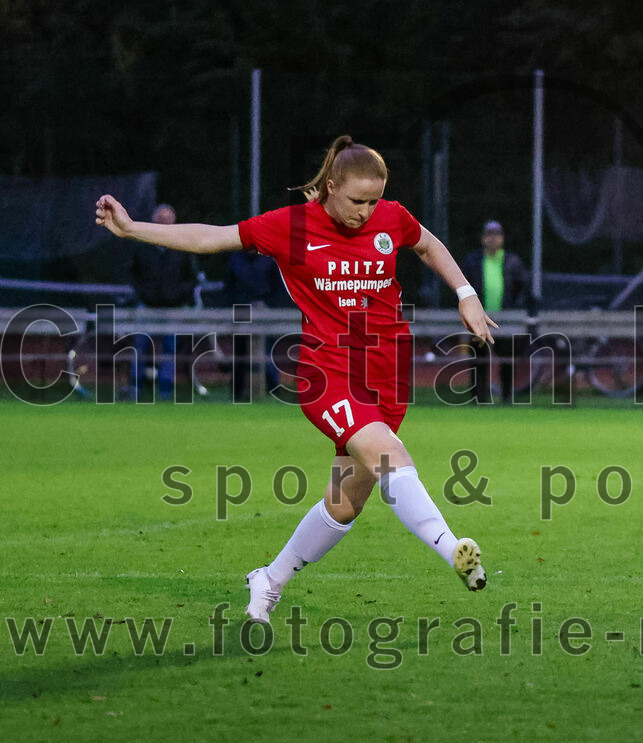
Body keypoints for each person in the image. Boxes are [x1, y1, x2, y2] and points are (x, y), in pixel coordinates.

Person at [96, 135, 496, 623]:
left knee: (347, 502)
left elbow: (429, 244)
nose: (366, 212)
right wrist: (134, 228)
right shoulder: (291, 226)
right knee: (391, 456)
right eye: (356, 201)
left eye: (373, 201)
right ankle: (453, 547)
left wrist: (466, 292)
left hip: (387, 373)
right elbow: (211, 238)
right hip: (326, 371)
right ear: (330, 186)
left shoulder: (392, 217)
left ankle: (270, 578)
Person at [125, 204, 198, 401]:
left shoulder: (182, 246)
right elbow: (132, 273)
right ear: (153, 220)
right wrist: (144, 293)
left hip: (173, 308)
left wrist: (178, 294)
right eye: (160, 218)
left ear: (173, 221)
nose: (164, 222)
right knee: (139, 346)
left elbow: (191, 277)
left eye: (167, 219)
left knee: (170, 349)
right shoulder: (142, 246)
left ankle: (165, 390)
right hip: (147, 305)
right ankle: (135, 388)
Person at [460, 220, 531, 403]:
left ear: (502, 239)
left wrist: (514, 306)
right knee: (478, 359)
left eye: (496, 235)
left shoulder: (511, 261)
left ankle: (507, 397)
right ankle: (478, 398)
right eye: (489, 235)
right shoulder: (473, 261)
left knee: (507, 360)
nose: (493, 239)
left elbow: (522, 286)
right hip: (479, 319)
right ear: (483, 238)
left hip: (504, 320)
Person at [223, 249, 286, 401]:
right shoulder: (235, 259)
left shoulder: (270, 259)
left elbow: (280, 288)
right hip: (240, 312)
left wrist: (267, 305)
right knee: (240, 352)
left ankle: (272, 390)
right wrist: (239, 306)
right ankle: (237, 392)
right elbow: (229, 287)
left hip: (265, 313)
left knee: (266, 351)